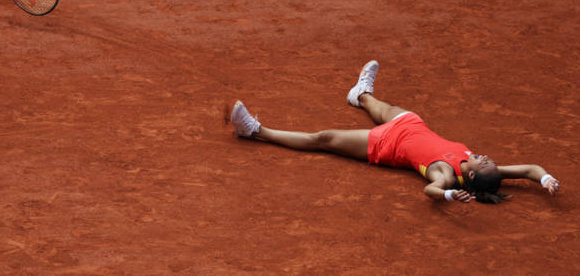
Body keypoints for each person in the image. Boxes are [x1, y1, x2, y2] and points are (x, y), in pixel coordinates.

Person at [230, 60, 560, 204]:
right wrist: (545, 179)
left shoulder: (444, 174)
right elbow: (530, 170)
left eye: (483, 164)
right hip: (412, 124)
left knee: (324, 139)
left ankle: (256, 131)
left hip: (384, 145)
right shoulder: (485, 170)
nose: (486, 158)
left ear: (471, 178)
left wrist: (447, 195)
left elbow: (430, 192)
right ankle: (359, 93)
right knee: (378, 106)